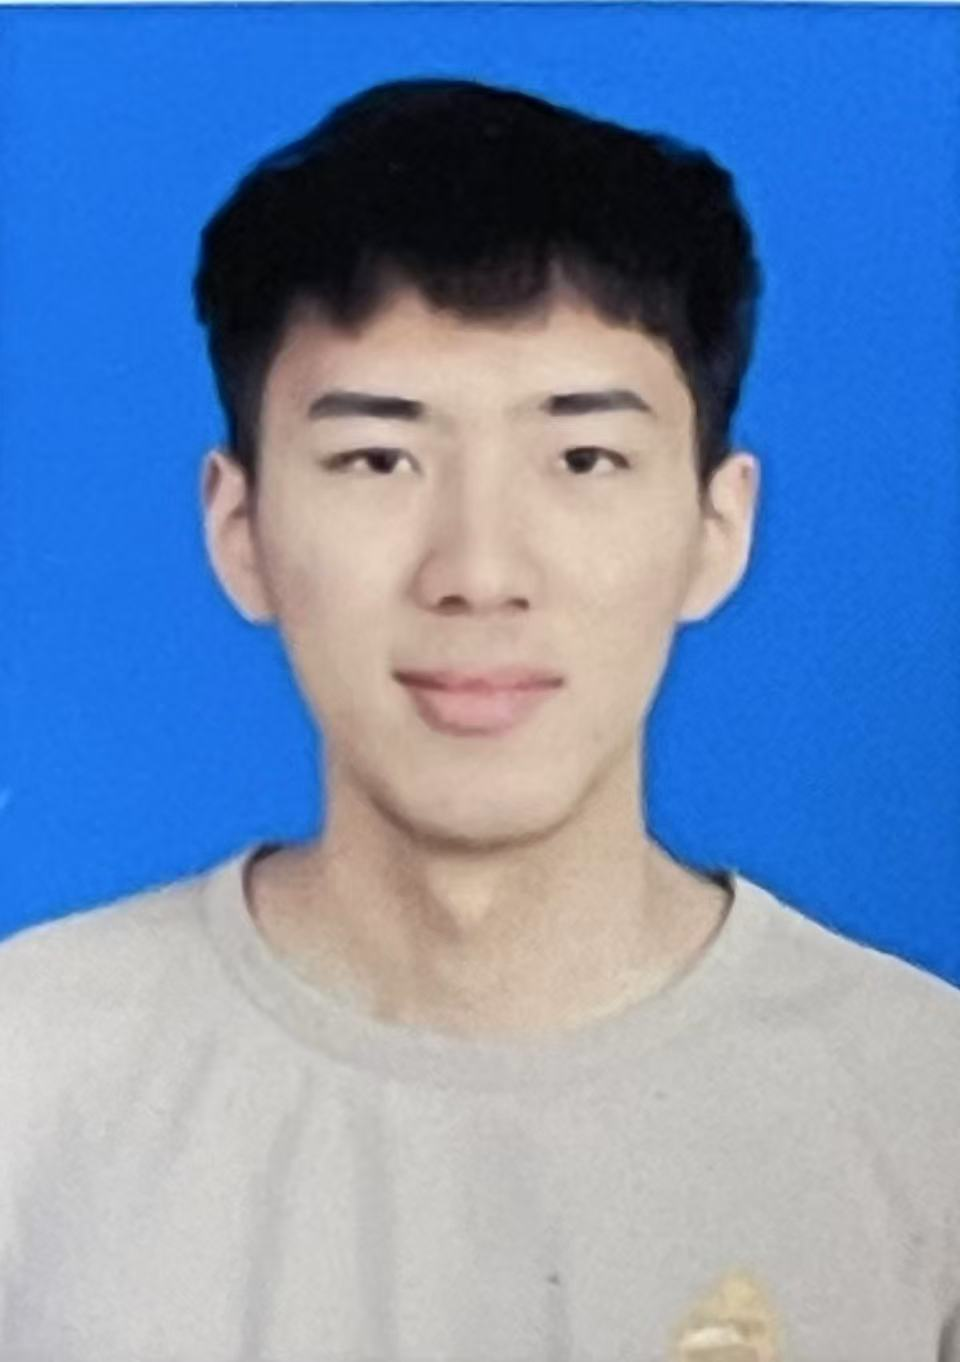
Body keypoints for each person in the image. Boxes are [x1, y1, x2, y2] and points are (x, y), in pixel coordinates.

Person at [1, 76, 957, 1362]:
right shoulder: (30, 1077)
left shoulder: (925, 1112)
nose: (478, 570)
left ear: (717, 528)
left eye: (583, 459)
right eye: (378, 459)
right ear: (239, 529)